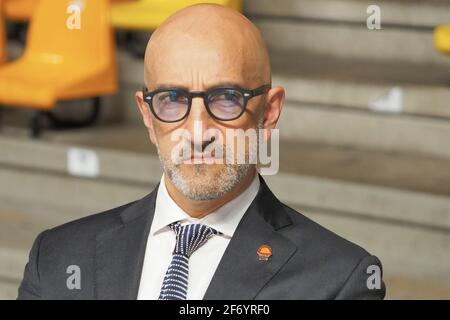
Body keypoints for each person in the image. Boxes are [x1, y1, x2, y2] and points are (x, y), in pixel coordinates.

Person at [18, 3, 385, 300]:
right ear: (147, 115)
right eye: (172, 99)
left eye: (226, 99)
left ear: (269, 111)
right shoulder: (56, 257)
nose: (197, 132)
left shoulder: (339, 281)